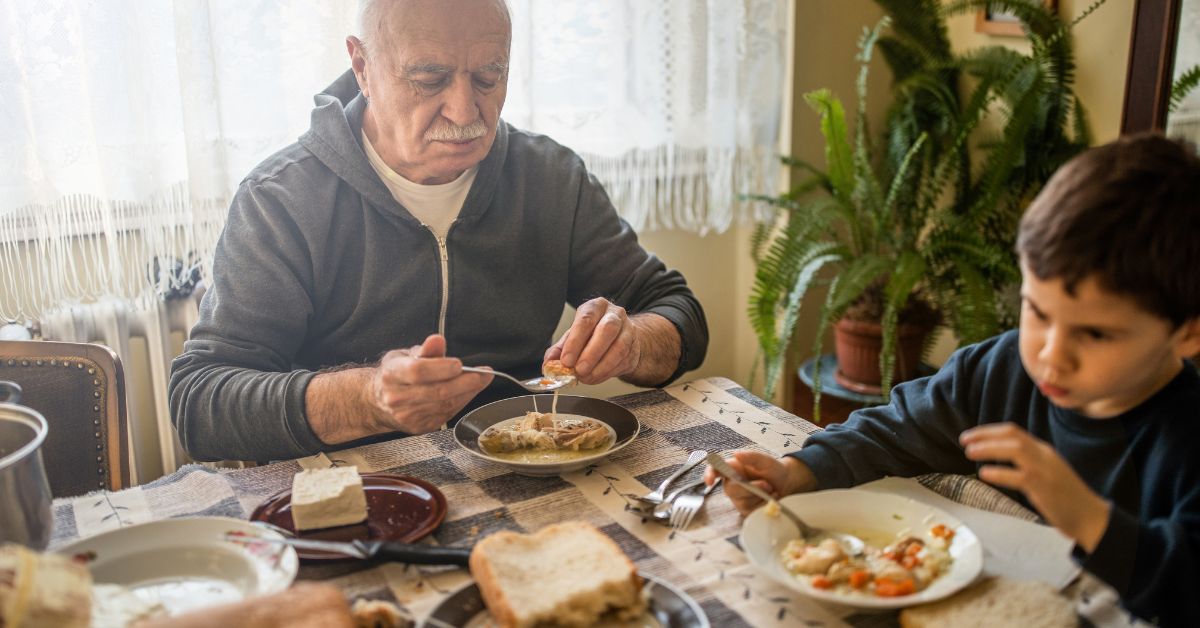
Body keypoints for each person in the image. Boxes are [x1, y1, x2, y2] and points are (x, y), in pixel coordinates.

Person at [169, 0, 707, 463]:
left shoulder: (551, 178)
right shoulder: (281, 199)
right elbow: (199, 402)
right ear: (362, 65)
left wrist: (633, 344)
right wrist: (369, 398)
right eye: (429, 78)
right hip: (354, 492)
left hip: (525, 468)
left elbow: (677, 311)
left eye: (488, 76)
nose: (464, 109)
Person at [708, 134, 1200, 626]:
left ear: (1187, 333)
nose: (1051, 354)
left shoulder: (1186, 438)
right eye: (1037, 311)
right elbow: (898, 428)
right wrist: (798, 471)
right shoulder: (1003, 368)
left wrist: (1089, 520)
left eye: (1094, 333)